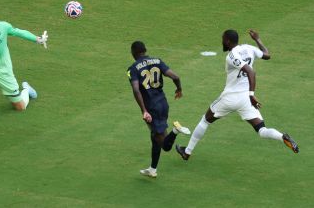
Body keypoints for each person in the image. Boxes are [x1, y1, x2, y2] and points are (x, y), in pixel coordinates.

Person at [176, 29, 299, 161]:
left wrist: (252, 95)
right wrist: (257, 40)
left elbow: (251, 72)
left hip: (231, 97)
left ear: (228, 41)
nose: (222, 41)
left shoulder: (231, 56)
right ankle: (282, 137)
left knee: (205, 120)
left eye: (223, 39)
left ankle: (187, 152)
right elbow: (267, 55)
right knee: (261, 130)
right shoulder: (249, 48)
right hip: (246, 100)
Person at [127, 41, 191, 178]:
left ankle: (175, 131)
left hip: (151, 108)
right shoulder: (157, 60)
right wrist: (179, 89)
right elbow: (175, 76)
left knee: (165, 145)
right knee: (154, 136)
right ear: (145, 50)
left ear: (134, 53)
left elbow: (136, 90)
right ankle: (152, 169)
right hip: (163, 104)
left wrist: (144, 110)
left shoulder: (132, 68)